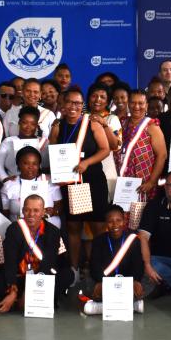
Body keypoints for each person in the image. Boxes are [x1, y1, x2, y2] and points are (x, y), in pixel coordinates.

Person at [49, 86, 110, 285]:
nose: (74, 106)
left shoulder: (91, 123)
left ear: (82, 105)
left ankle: (100, 270)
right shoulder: (59, 126)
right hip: (72, 184)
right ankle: (74, 270)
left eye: (78, 103)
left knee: (99, 227)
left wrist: (87, 162)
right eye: (70, 102)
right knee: (74, 227)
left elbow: (105, 149)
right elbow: (53, 151)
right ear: (63, 105)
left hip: (92, 182)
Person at [0, 194, 73, 313]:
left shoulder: (53, 231)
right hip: (20, 276)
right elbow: (10, 261)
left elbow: (48, 263)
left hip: (42, 276)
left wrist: (30, 292)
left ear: (43, 212)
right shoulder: (14, 229)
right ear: (23, 210)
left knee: (67, 275)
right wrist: (13, 287)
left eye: (36, 210)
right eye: (27, 210)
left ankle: (25, 299)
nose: (31, 214)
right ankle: (20, 297)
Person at [82, 205, 144, 315]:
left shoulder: (133, 240)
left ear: (124, 221)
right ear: (106, 223)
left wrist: (135, 281)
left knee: (149, 280)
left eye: (118, 220)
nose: (115, 225)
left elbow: (138, 265)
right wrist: (101, 282)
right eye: (110, 221)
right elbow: (94, 266)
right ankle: (130, 305)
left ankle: (100, 307)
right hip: (106, 282)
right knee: (87, 282)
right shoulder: (98, 241)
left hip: (127, 282)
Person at [114, 89, 167, 200]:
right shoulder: (122, 123)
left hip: (143, 184)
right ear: (128, 104)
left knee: (141, 215)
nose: (136, 106)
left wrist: (152, 182)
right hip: (122, 182)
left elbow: (162, 155)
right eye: (133, 102)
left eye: (141, 103)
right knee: (122, 214)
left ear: (146, 105)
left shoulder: (152, 126)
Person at [1, 146, 61, 227]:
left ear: (39, 165)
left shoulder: (49, 181)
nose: (30, 167)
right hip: (20, 230)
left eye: (34, 163)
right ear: (18, 164)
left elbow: (60, 206)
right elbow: (5, 214)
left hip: (49, 228)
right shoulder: (9, 185)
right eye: (25, 163)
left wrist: (54, 211)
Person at [86, 82, 122, 202]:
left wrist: (104, 124)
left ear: (107, 102)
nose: (98, 100)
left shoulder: (112, 119)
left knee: (103, 213)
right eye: (94, 96)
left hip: (106, 173)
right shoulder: (82, 119)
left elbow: (115, 146)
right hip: (84, 171)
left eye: (102, 97)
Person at [0, 106, 47, 184]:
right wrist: (5, 179)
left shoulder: (43, 142)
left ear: (36, 125)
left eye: (32, 124)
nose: (28, 127)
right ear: (19, 122)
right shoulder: (8, 141)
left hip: (38, 184)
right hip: (13, 184)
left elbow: (48, 165)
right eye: (24, 122)